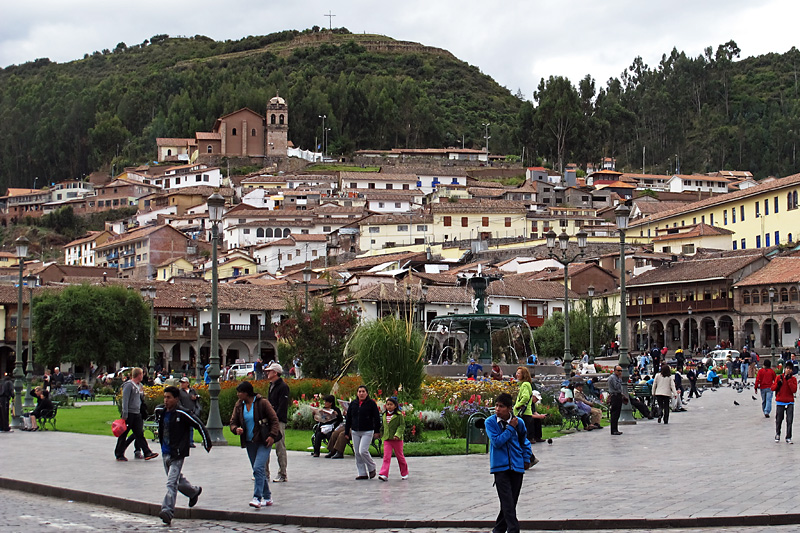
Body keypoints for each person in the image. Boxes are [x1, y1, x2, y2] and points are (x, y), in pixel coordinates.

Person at [153, 385, 211, 525]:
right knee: (177, 480)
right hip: (165, 452)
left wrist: (206, 441)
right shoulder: (160, 410)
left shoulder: (182, 413)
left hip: (177, 453)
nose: (166, 400)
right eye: (165, 397)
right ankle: (193, 492)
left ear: (176, 399)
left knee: (171, 483)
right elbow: (158, 419)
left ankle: (167, 511)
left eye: (169, 398)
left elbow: (198, 424)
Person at [229, 381, 281, 508]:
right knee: (258, 470)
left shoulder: (262, 403)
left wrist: (272, 435)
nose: (237, 395)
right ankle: (268, 497)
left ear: (246, 393)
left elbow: (274, 420)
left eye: (239, 392)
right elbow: (233, 422)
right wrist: (236, 429)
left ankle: (257, 497)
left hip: (264, 440)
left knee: (258, 468)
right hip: (249, 441)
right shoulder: (239, 405)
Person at [485, 392, 532, 533]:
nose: (498, 409)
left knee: (511, 503)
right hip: (500, 467)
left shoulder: (520, 423)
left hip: (517, 466)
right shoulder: (490, 422)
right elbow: (497, 442)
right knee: (507, 502)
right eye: (496, 406)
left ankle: (498, 530)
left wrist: (526, 458)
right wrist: (510, 428)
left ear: (510, 408)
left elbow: (525, 441)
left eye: (502, 406)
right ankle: (514, 529)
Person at [115, 367, 158, 461]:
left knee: (139, 434)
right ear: (138, 375)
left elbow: (140, 399)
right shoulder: (128, 385)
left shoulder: (139, 385)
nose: (143, 376)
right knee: (124, 434)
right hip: (129, 413)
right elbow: (125, 400)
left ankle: (147, 452)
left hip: (137, 413)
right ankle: (119, 453)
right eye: (142, 374)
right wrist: (124, 413)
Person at [344, 385, 381, 480]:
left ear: (367, 393)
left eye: (363, 391)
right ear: (357, 393)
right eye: (359, 391)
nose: (361, 393)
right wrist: (346, 432)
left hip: (367, 430)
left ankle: (371, 466)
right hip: (355, 431)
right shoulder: (353, 404)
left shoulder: (371, 404)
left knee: (363, 450)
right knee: (357, 453)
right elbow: (348, 418)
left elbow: (376, 418)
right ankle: (362, 473)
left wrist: (377, 431)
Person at [265, 362, 290, 483]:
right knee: (265, 445)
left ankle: (282, 473)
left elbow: (282, 405)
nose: (267, 373)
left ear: (275, 373)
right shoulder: (271, 385)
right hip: (270, 419)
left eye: (269, 371)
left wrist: (275, 418)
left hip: (278, 420)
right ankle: (264, 472)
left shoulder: (282, 387)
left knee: (280, 446)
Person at [513, 367, 540, 465]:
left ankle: (529, 458)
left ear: (523, 375)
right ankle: (529, 458)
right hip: (526, 414)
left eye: (519, 373)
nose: (517, 374)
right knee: (521, 438)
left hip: (523, 414)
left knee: (520, 438)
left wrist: (517, 406)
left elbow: (525, 397)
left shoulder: (525, 385)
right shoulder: (527, 384)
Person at [377, 397, 408, 481]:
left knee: (400, 456)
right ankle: (384, 474)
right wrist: (380, 434)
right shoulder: (384, 415)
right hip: (387, 439)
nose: (389, 406)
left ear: (395, 406)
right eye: (388, 404)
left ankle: (404, 473)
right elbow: (383, 426)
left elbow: (401, 426)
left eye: (391, 404)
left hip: (397, 440)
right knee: (386, 457)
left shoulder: (399, 415)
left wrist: (397, 434)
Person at [772, 362, 797, 444]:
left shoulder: (793, 379)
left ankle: (788, 437)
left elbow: (794, 390)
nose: (788, 370)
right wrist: (778, 385)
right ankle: (777, 434)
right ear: (784, 369)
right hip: (780, 401)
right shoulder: (779, 377)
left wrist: (789, 381)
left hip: (790, 401)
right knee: (779, 419)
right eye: (787, 368)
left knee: (789, 420)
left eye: (790, 369)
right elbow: (773, 388)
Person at [178, 377, 201, 446]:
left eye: (184, 382)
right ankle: (184, 441)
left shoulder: (192, 390)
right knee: (183, 427)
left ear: (187, 383)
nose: (182, 384)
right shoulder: (179, 392)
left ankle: (190, 441)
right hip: (183, 411)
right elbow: (178, 401)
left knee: (191, 427)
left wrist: (196, 397)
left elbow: (198, 397)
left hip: (192, 411)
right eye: (181, 383)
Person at [607, 366, 624, 435]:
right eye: (619, 371)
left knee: (617, 414)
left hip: (618, 396)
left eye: (621, 371)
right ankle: (613, 430)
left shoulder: (616, 377)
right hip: (615, 396)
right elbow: (616, 387)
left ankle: (615, 429)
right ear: (615, 371)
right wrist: (620, 379)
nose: (620, 372)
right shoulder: (613, 377)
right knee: (614, 414)